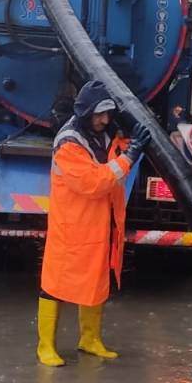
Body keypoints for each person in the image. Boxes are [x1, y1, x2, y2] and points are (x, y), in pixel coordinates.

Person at [36, 80, 151, 367]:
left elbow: (110, 163)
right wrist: (128, 157)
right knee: (54, 284)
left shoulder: (102, 134)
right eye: (99, 114)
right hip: (71, 225)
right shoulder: (68, 142)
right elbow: (92, 183)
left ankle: (90, 340)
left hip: (98, 225)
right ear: (86, 112)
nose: (104, 119)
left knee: (96, 281)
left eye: (108, 114)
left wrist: (128, 142)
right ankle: (45, 346)